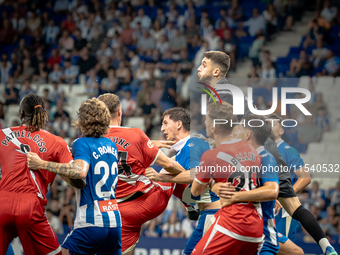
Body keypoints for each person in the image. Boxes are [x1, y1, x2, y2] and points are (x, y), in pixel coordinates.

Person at [197, 50, 338, 255]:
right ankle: (327, 247)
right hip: (266, 146)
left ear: (216, 71)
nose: (199, 68)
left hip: (251, 151)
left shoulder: (222, 93)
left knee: (223, 194)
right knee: (294, 206)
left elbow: (227, 131)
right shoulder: (228, 91)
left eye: (204, 64)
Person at [26, 98, 122, 255]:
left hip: (91, 221)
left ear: (83, 120)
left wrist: (41, 164)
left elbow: (80, 172)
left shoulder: (82, 143)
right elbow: (88, 175)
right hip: (114, 223)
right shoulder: (111, 145)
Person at [97, 93, 185, 255]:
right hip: (145, 203)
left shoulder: (90, 140)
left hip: (113, 211)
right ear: (119, 111)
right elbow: (168, 165)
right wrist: (192, 175)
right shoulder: (136, 135)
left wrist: (150, 143)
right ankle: (192, 204)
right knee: (173, 165)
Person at [214, 114, 304, 255]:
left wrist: (235, 196)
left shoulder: (265, 157)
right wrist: (214, 186)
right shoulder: (237, 157)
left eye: (241, 127)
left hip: (260, 232)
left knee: (296, 252)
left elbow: (272, 191)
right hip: (240, 227)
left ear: (248, 134)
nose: (236, 130)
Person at [0, 94, 76, 255]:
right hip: (30, 208)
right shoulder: (56, 141)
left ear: (20, 114)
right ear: (44, 114)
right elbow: (75, 179)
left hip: (2, 204)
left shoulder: (2, 134)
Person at [191, 103, 263, 254]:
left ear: (214, 127)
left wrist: (211, 183)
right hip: (255, 228)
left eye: (207, 119)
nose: (205, 122)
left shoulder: (211, 155)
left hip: (232, 224)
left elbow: (195, 191)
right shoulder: (252, 149)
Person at [145, 107, 218, 255]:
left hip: (215, 213)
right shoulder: (184, 149)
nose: (162, 128)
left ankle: (190, 206)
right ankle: (190, 206)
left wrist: (160, 177)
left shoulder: (193, 144)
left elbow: (197, 173)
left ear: (179, 124)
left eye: (165, 123)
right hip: (208, 213)